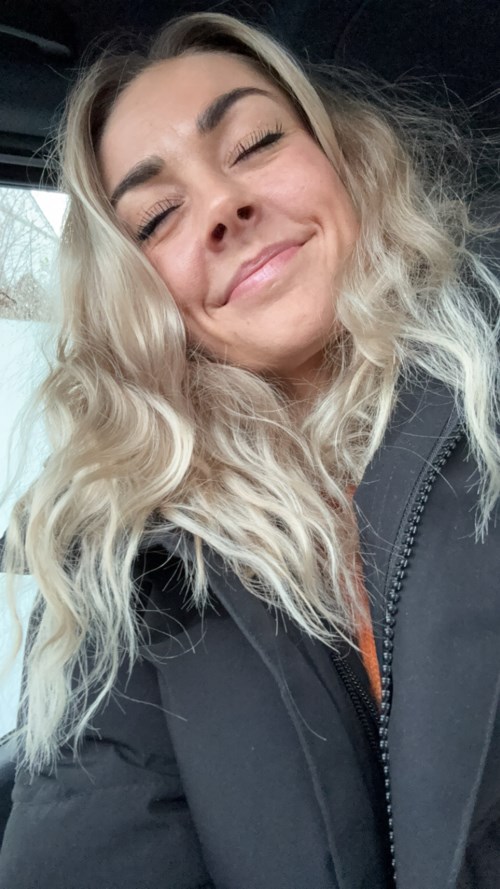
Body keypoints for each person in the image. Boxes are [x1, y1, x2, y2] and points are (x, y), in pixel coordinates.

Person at [0, 10, 499, 889]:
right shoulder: (124, 571)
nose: (223, 206)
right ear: (135, 295)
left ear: (345, 159)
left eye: (255, 142)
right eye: (158, 216)